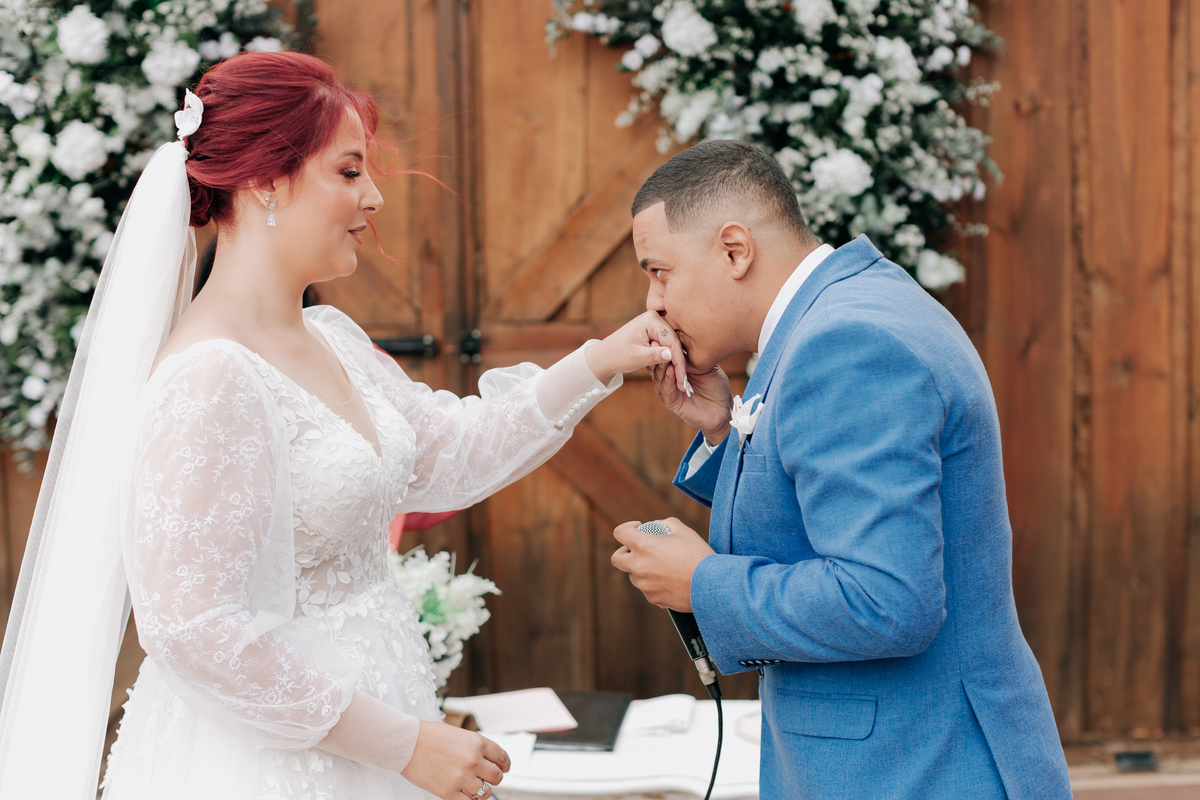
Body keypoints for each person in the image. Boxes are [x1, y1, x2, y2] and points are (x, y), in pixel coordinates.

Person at [0, 52, 690, 800]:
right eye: (349, 171)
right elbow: (193, 633)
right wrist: (404, 745)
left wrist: (600, 361)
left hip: (382, 720)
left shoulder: (332, 339)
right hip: (268, 762)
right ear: (266, 181)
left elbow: (451, 454)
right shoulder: (208, 377)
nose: (374, 197)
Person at [610, 141, 1073, 799]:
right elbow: (823, 510)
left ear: (735, 250)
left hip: (918, 767)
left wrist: (702, 583)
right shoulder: (849, 307)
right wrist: (721, 430)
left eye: (660, 272)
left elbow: (887, 599)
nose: (653, 302)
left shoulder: (845, 341)